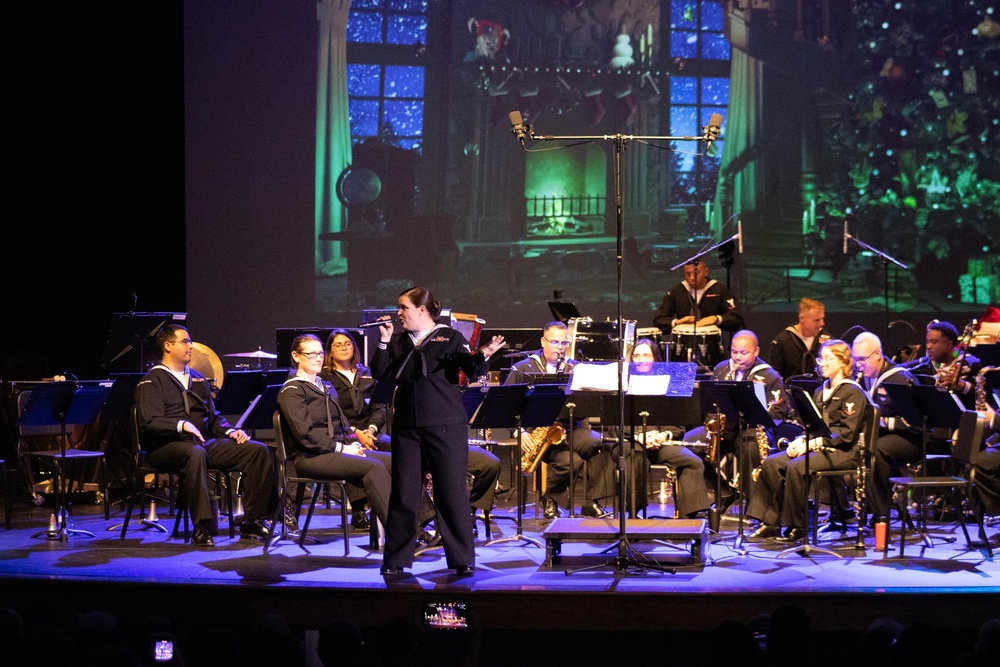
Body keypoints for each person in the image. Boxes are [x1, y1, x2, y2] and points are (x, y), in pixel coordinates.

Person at [370, 286, 506, 576]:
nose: (398, 313)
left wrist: (483, 354)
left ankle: (461, 559)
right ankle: (395, 560)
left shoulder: (449, 337)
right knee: (404, 494)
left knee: (450, 492)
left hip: (445, 425)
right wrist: (383, 341)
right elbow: (380, 372)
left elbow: (468, 367)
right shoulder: (398, 340)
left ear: (421, 310)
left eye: (403, 308)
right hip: (407, 427)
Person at [320, 328, 501, 533]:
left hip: (373, 431)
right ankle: (360, 509)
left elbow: (379, 406)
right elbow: (332, 415)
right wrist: (356, 433)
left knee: (397, 450)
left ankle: (458, 514)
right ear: (329, 351)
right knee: (363, 454)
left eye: (348, 343)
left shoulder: (366, 373)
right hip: (344, 435)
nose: (344, 348)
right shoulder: (324, 377)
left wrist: (370, 429)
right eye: (338, 345)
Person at [135, 324, 277, 547]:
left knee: (256, 451)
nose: (191, 346)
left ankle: (252, 521)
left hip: (201, 443)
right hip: (166, 447)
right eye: (185, 341)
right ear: (168, 346)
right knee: (195, 453)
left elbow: (212, 418)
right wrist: (181, 425)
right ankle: (202, 527)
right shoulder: (152, 381)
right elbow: (149, 422)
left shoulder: (198, 379)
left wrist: (230, 430)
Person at [746, 339, 868, 542]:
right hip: (819, 446)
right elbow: (813, 425)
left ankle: (798, 525)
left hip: (844, 451)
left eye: (828, 359)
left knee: (797, 467)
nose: (822, 363)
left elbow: (846, 434)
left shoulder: (852, 392)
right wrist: (802, 440)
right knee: (772, 462)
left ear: (843, 362)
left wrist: (813, 444)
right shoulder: (820, 391)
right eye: (822, 358)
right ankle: (769, 523)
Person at [276, 333, 392, 541]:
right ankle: (400, 532)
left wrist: (354, 443)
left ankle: (420, 526)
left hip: (334, 451)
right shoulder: (292, 390)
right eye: (311, 354)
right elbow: (306, 435)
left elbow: (342, 424)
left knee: (396, 462)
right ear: (296, 356)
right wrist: (343, 448)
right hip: (312, 458)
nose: (318, 358)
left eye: (320, 353)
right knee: (373, 466)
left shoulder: (324, 386)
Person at [504, 320, 614, 519]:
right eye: (555, 343)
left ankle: (591, 502)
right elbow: (505, 405)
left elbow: (588, 403)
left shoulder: (576, 367)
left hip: (570, 428)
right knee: (570, 462)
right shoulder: (522, 369)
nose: (560, 348)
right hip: (540, 434)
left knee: (601, 443)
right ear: (543, 342)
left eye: (564, 343)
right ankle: (551, 499)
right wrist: (519, 432)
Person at [684, 330, 798, 508]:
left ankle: (755, 506)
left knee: (750, 446)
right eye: (734, 352)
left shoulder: (770, 376)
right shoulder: (721, 369)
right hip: (725, 428)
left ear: (756, 351)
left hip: (753, 429)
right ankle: (722, 491)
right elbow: (709, 404)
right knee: (690, 443)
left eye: (743, 353)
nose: (737, 357)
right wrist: (713, 421)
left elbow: (777, 414)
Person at [629, 338, 710, 518]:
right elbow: (615, 426)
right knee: (634, 460)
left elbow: (677, 425)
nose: (640, 359)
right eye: (636, 355)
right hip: (632, 443)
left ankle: (689, 518)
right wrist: (639, 437)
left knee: (692, 460)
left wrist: (664, 435)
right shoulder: (623, 383)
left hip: (661, 443)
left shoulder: (668, 382)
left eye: (646, 355)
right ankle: (633, 515)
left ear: (655, 359)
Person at [852, 331, 921, 523]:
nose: (858, 365)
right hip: (878, 436)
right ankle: (848, 509)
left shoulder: (898, 379)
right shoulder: (861, 377)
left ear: (877, 354)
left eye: (862, 359)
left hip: (909, 439)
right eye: (855, 360)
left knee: (876, 451)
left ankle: (880, 513)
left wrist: (880, 421)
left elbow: (916, 423)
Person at [652, 259, 743, 369]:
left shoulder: (719, 289)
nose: (691, 278)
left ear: (706, 271)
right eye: (687, 274)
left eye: (696, 274)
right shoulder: (676, 291)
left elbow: (735, 318)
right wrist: (678, 322)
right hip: (682, 351)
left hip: (713, 349)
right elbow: (659, 320)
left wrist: (716, 319)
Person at [901, 319, 982, 408]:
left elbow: (985, 401)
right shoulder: (923, 364)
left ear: (949, 345)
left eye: (933, 342)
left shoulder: (971, 363)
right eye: (927, 341)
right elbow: (895, 370)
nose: (928, 346)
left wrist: (962, 385)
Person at [768, 297, 831, 380]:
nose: (822, 323)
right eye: (817, 320)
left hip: (822, 390)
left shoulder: (827, 340)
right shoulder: (782, 341)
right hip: (791, 391)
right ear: (802, 318)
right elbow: (775, 373)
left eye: (822, 318)